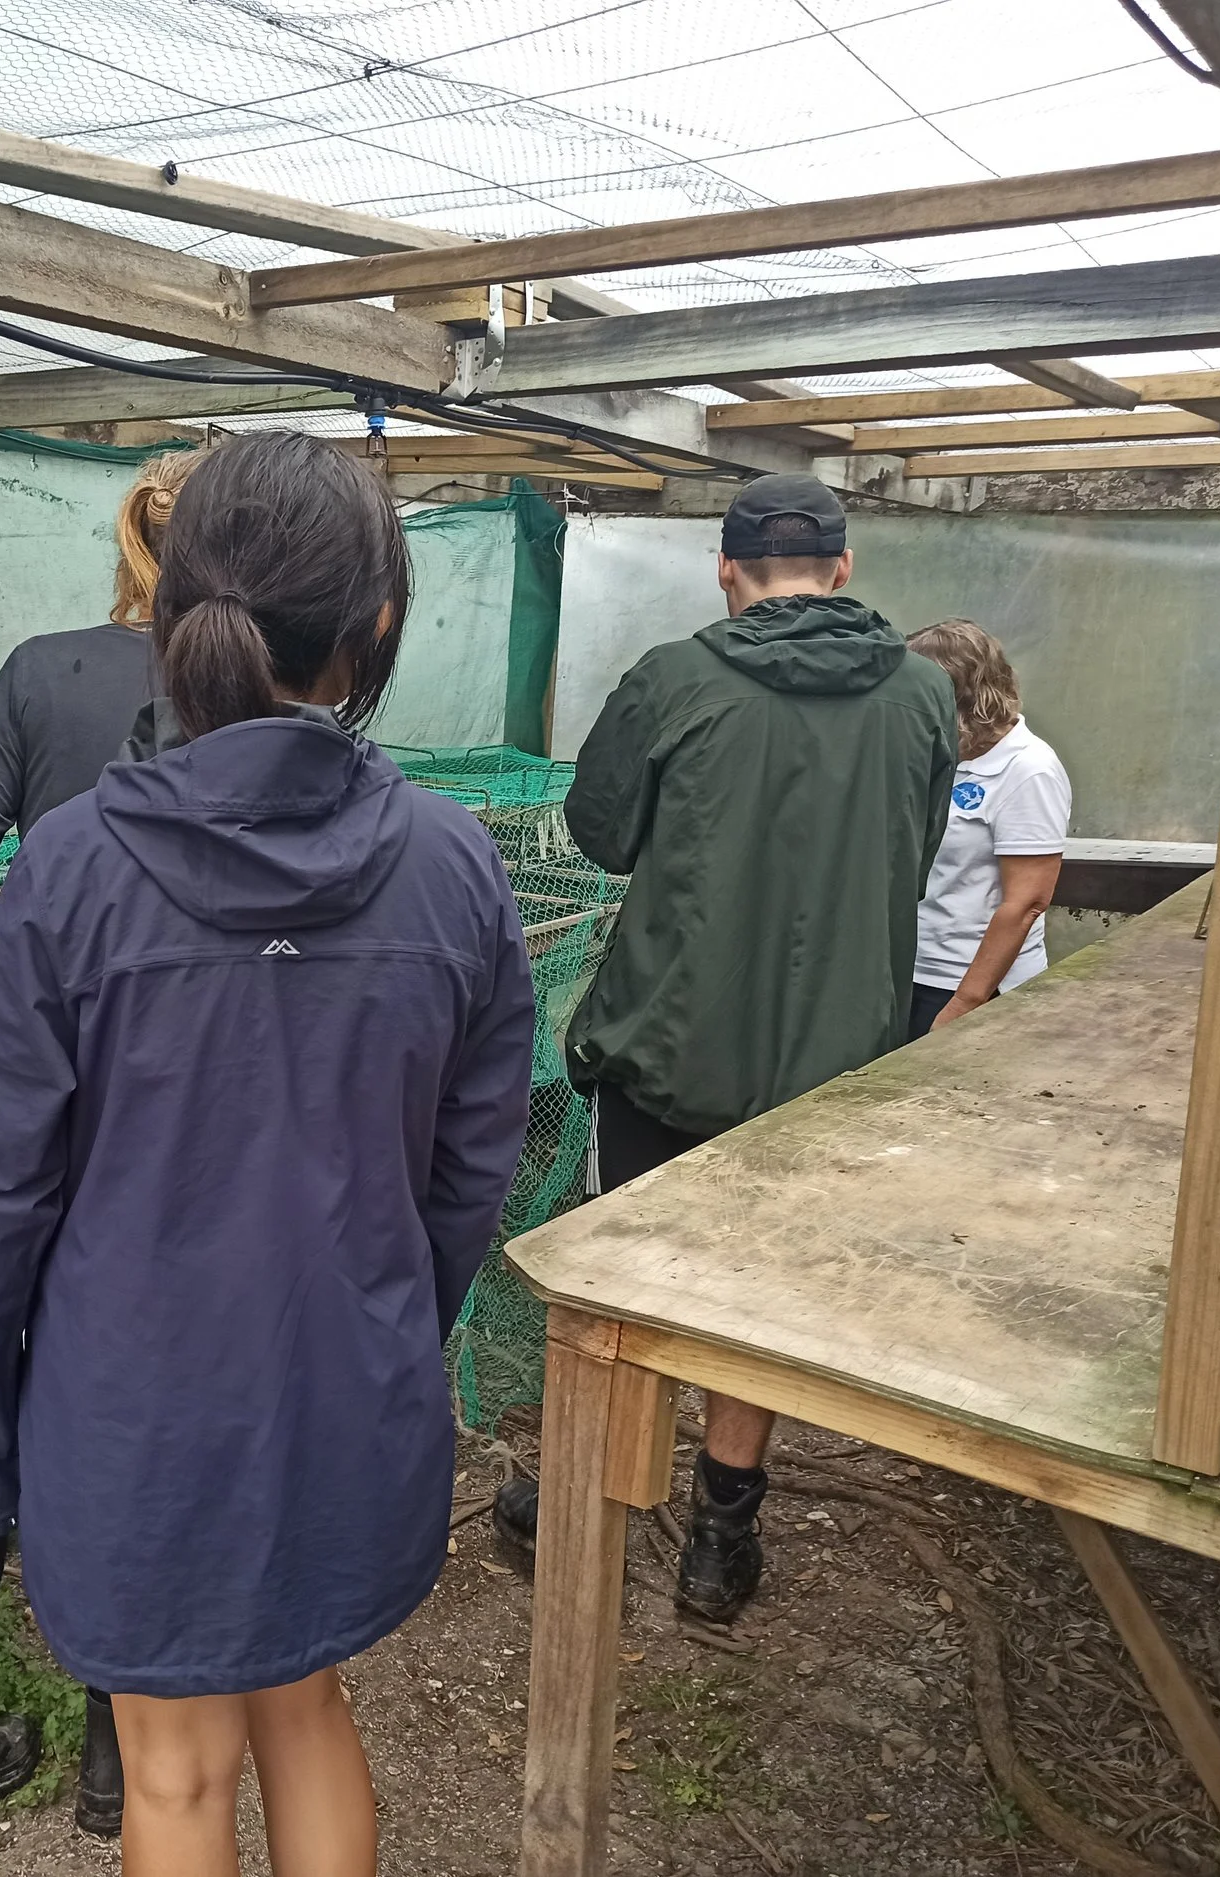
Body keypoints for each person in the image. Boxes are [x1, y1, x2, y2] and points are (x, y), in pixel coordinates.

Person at [0, 430, 534, 1875]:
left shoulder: (71, 867)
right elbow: (473, 1163)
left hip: (131, 1409)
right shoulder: (456, 863)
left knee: (176, 1773)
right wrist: (392, 1317)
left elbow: (0, 1190)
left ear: (172, 610)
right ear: (376, 624)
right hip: (346, 1381)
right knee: (306, 1702)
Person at [492, 474, 956, 1625]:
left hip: (669, 1050)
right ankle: (718, 1539)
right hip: (833, 1069)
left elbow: (600, 833)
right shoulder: (924, 697)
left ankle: (571, 1499)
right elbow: (923, 838)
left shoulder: (675, 679)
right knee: (755, 1301)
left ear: (726, 571)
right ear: (843, 570)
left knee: (619, 1282)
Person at [0, 446, 200, 1853]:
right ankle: (105, 1759)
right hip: (176, 1098)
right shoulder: (247, 694)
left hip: (22, 1077)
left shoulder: (41, 669)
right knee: (125, 1404)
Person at [904, 619, 1071, 1039]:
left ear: (960, 696)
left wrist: (966, 1003)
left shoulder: (1028, 769)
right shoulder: (940, 752)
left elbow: (1027, 901)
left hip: (971, 984)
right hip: (914, 967)